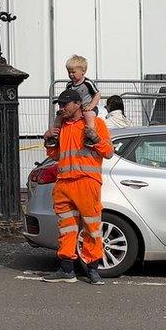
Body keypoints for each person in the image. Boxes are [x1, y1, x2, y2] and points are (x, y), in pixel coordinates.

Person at [42, 89, 114, 284]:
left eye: (65, 104)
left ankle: (92, 269)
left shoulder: (95, 123)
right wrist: (48, 139)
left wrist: (96, 139)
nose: (62, 108)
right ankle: (67, 270)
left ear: (77, 104)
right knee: (66, 228)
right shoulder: (62, 126)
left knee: (92, 228)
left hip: (86, 182)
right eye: (60, 104)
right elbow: (56, 156)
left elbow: (108, 152)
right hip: (65, 182)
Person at [47, 55, 101, 148]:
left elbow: (97, 94)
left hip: (88, 107)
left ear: (83, 71)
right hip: (75, 109)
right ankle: (54, 137)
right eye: (69, 72)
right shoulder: (69, 84)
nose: (71, 75)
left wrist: (91, 106)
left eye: (73, 72)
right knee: (59, 116)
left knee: (88, 116)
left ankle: (90, 136)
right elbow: (67, 97)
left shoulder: (87, 83)